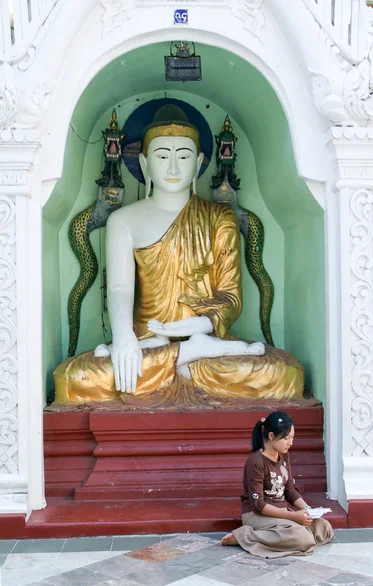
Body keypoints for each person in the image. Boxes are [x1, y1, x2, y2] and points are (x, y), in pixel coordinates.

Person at [54, 106, 304, 405]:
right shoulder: (123, 220)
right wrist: (123, 338)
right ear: (144, 164)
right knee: (72, 378)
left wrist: (202, 324)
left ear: (199, 163)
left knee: (285, 373)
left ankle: (193, 350)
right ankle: (186, 354)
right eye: (161, 156)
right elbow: (120, 289)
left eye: (184, 156)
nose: (173, 168)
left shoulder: (220, 219)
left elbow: (231, 296)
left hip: (207, 339)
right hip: (145, 342)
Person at [221, 411, 334, 557]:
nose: (290, 442)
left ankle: (288, 536)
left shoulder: (284, 455)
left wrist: (308, 510)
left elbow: (290, 490)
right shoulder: (256, 462)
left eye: (292, 437)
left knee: (324, 527)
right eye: (286, 438)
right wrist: (292, 517)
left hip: (281, 513)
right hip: (256, 514)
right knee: (303, 537)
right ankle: (245, 536)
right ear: (271, 436)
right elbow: (258, 505)